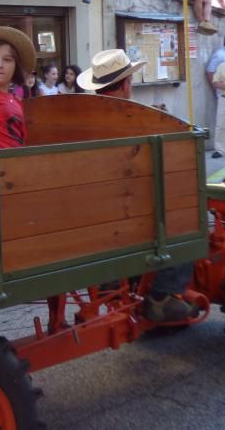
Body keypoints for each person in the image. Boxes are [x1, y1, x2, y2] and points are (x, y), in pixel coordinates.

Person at [77, 49, 198, 322]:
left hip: (90, 206)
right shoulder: (135, 117)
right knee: (184, 212)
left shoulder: (80, 117)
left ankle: (113, 279)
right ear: (126, 84)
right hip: (127, 207)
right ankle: (164, 296)